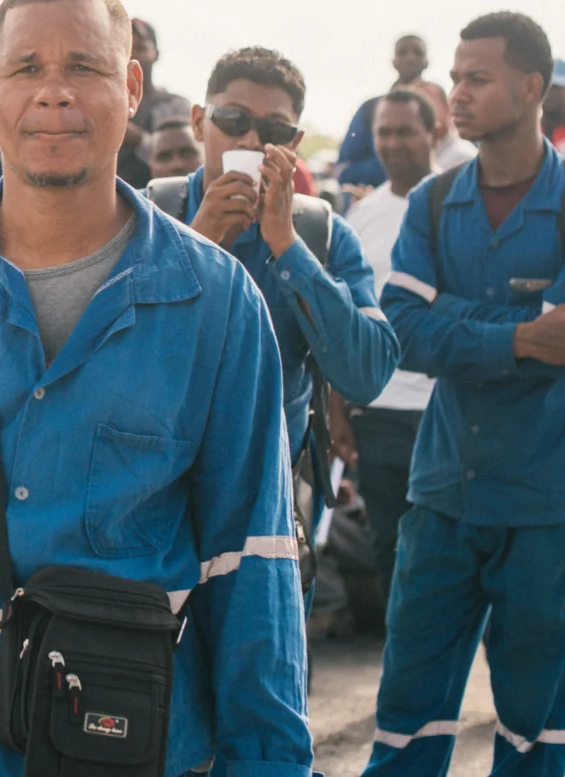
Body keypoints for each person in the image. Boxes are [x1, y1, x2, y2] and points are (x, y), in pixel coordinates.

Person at [0, 0, 313, 775]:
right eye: (27, 68)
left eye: (83, 67)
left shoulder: (217, 300)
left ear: (131, 87)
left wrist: (268, 760)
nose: (53, 94)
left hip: (122, 731)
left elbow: (249, 552)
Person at [365, 12, 565, 777]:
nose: (458, 92)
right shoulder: (435, 203)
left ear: (531, 86)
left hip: (550, 499)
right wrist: (518, 334)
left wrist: (462, 324)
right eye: (456, 76)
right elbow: (402, 333)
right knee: (407, 719)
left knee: (533, 733)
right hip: (444, 495)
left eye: (476, 77)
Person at [162, 46, 399, 514]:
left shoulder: (322, 234)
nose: (251, 141)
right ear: (197, 123)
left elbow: (368, 375)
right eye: (233, 120)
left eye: (274, 130)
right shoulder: (146, 217)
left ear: (293, 142)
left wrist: (287, 247)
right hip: (157, 497)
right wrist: (198, 244)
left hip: (268, 506)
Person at [331, 90, 439, 607]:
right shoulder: (359, 220)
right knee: (392, 544)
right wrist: (337, 408)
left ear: (433, 134)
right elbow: (342, 320)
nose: (393, 144)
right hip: (381, 410)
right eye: (384, 133)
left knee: (455, 541)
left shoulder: (459, 205)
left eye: (405, 131)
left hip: (449, 409)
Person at [337, 36, 455, 188]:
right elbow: (343, 170)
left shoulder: (440, 101)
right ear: (393, 62)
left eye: (417, 53)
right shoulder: (370, 109)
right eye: (403, 52)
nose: (410, 58)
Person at [116, 16, 192, 188]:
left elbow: (188, 158)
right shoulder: (106, 105)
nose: (133, 55)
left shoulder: (176, 106)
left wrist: (138, 140)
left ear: (156, 53)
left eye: (141, 47)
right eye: (127, 49)